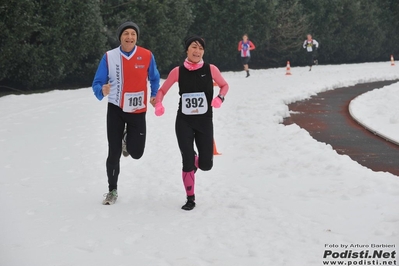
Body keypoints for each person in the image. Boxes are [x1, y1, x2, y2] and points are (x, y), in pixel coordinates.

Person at [154, 36, 229, 211]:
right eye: (194, 47)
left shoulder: (211, 69)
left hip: (204, 122)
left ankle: (196, 160)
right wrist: (158, 104)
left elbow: (224, 85)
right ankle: (190, 198)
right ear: (187, 50)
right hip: (184, 122)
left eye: (201, 48)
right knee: (187, 161)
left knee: (206, 165)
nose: (197, 51)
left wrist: (220, 98)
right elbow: (162, 90)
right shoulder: (178, 71)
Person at [92, 21, 160, 205]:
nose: (129, 37)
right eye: (126, 34)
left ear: (137, 37)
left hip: (138, 111)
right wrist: (102, 90)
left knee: (136, 153)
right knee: (113, 153)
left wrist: (154, 95)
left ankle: (126, 140)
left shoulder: (146, 55)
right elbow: (97, 83)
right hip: (115, 109)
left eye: (133, 34)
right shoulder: (109, 57)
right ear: (120, 36)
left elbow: (154, 78)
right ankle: (112, 190)